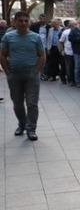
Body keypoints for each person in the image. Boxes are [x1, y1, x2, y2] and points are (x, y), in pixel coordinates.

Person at [0, 11, 45, 140]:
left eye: (26, 20)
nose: (23, 23)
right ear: (15, 22)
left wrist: (37, 71)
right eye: (20, 20)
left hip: (31, 75)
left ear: (29, 22)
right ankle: (22, 124)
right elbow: (2, 55)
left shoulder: (35, 37)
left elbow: (42, 55)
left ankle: (31, 129)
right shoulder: (8, 37)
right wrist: (7, 71)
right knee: (17, 104)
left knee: (32, 104)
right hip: (14, 75)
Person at [59, 19, 78, 86]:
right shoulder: (65, 32)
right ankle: (70, 80)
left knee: (74, 67)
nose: (76, 25)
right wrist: (62, 50)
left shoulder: (78, 31)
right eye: (75, 24)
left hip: (75, 52)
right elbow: (61, 41)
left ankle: (74, 80)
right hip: (68, 52)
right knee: (69, 67)